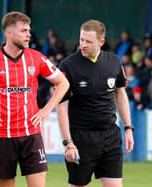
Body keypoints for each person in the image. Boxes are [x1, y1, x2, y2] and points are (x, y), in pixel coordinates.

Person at [0, 11, 69, 187]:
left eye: (29, 30)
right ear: (8, 33)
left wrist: (47, 109)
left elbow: (63, 83)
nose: (29, 34)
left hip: (31, 135)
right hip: (1, 136)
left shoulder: (36, 57)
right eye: (24, 30)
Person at [56, 19, 134, 187]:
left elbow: (120, 93)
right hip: (81, 139)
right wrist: (68, 143)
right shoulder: (68, 65)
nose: (83, 44)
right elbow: (61, 106)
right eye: (81, 39)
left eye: (88, 42)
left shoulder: (113, 61)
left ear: (101, 42)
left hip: (111, 136)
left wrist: (128, 128)